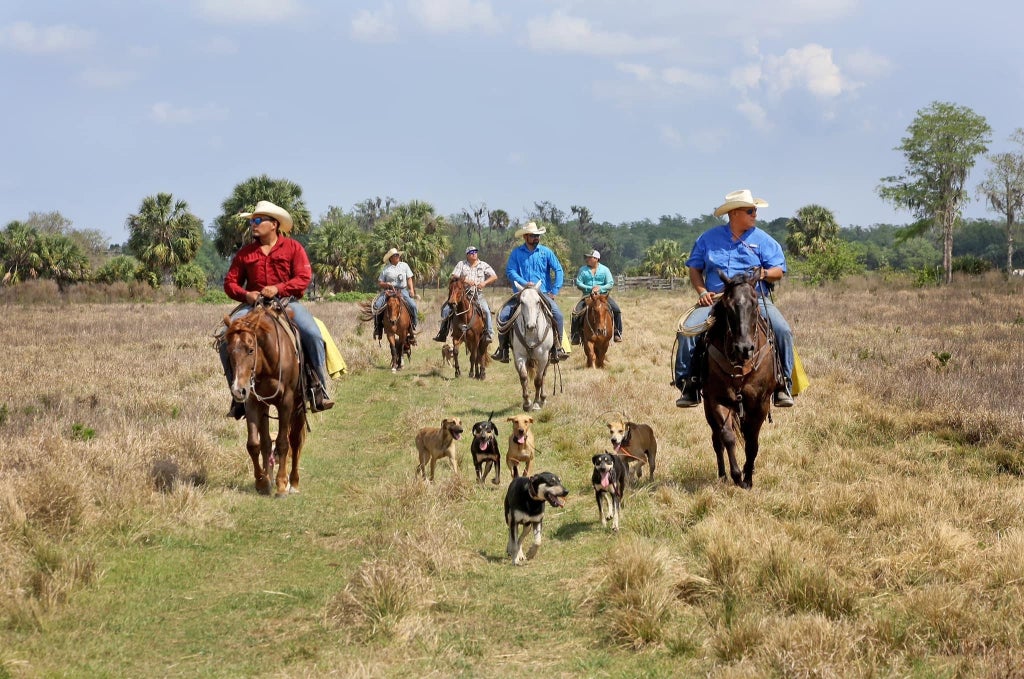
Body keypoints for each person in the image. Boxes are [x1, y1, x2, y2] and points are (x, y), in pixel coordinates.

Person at [674, 189, 794, 408]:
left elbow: (779, 270)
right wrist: (702, 292)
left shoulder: (764, 240)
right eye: (750, 211)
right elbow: (694, 269)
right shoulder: (707, 239)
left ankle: (784, 384)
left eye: (755, 210)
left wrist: (765, 273)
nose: (755, 215)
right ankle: (687, 384)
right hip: (718, 300)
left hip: (754, 300)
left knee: (782, 330)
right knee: (687, 332)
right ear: (734, 214)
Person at [221, 200, 334, 418]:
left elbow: (303, 278)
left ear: (274, 224)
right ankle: (237, 395)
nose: (253, 224)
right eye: (252, 221)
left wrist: (279, 288)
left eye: (257, 220)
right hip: (253, 307)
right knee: (227, 340)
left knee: (312, 333)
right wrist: (246, 294)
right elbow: (230, 283)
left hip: (286, 303)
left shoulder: (294, 248)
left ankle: (318, 388)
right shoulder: (245, 253)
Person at [490, 222, 571, 364]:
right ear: (525, 237)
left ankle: (557, 348)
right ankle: (503, 350)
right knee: (503, 316)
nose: (536, 238)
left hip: (542, 293)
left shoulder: (546, 252)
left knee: (558, 314)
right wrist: (523, 282)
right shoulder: (516, 253)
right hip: (521, 293)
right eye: (533, 236)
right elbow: (510, 271)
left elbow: (558, 270)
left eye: (537, 236)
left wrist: (555, 290)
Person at [433, 245, 498, 342]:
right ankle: (443, 332)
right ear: (467, 255)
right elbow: (454, 276)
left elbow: (494, 276)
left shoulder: (483, 265)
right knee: (446, 310)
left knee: (487, 311)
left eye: (475, 252)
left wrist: (484, 283)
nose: (474, 254)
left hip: (477, 294)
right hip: (462, 294)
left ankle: (489, 333)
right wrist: (467, 281)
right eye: (471, 253)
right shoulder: (461, 264)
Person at [571, 249, 623, 343]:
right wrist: (590, 288)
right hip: (587, 296)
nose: (587, 259)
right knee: (575, 313)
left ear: (596, 259)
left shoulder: (605, 270)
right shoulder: (583, 270)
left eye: (589, 258)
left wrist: (600, 289)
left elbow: (610, 283)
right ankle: (575, 335)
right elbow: (579, 283)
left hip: (602, 296)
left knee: (617, 310)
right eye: (587, 258)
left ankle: (617, 332)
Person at [372, 248, 419, 342]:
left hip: (402, 290)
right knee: (377, 306)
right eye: (395, 255)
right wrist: (387, 284)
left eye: (398, 255)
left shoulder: (405, 266)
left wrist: (411, 290)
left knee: (413, 306)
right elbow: (380, 282)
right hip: (389, 291)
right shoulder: (386, 269)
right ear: (391, 258)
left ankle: (413, 325)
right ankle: (378, 327)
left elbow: (409, 278)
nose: (397, 256)